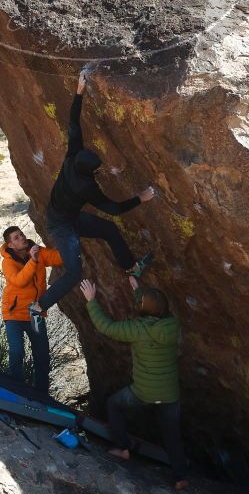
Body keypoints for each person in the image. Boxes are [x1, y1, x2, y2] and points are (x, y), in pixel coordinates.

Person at [30, 69, 155, 331]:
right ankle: (40, 306)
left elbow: (73, 123)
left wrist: (79, 91)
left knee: (108, 230)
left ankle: (130, 268)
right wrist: (140, 199)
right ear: (90, 173)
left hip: (68, 216)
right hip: (61, 226)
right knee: (75, 272)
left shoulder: (72, 155)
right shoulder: (86, 187)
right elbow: (114, 208)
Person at [80, 275, 188, 491]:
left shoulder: (137, 329)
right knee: (172, 435)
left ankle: (122, 448)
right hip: (169, 394)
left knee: (114, 404)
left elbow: (106, 326)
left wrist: (91, 300)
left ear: (144, 309)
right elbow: (154, 309)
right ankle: (180, 477)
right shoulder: (173, 324)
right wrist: (138, 290)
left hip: (143, 392)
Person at [0, 226, 63, 393]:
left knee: (42, 355)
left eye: (21, 234)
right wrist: (33, 261)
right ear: (10, 245)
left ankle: (41, 394)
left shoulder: (37, 251)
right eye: (16, 237)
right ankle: (17, 389)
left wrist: (73, 245)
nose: (21, 238)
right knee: (17, 351)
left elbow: (58, 258)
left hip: (34, 313)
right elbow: (19, 281)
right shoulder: (8, 261)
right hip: (14, 314)